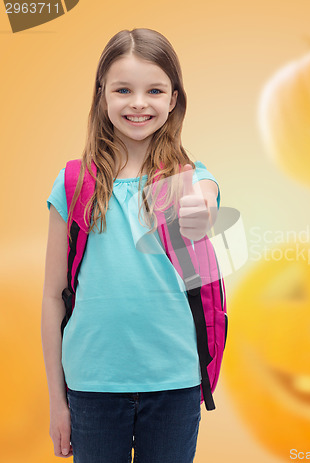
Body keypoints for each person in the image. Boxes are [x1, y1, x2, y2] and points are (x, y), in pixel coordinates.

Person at [41, 28, 221, 463]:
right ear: (102, 96)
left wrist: (201, 207)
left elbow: (206, 200)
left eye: (154, 90)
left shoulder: (190, 179)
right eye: (123, 89)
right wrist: (57, 402)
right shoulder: (72, 184)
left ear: (173, 99)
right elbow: (52, 297)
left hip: (175, 383)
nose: (138, 102)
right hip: (91, 387)